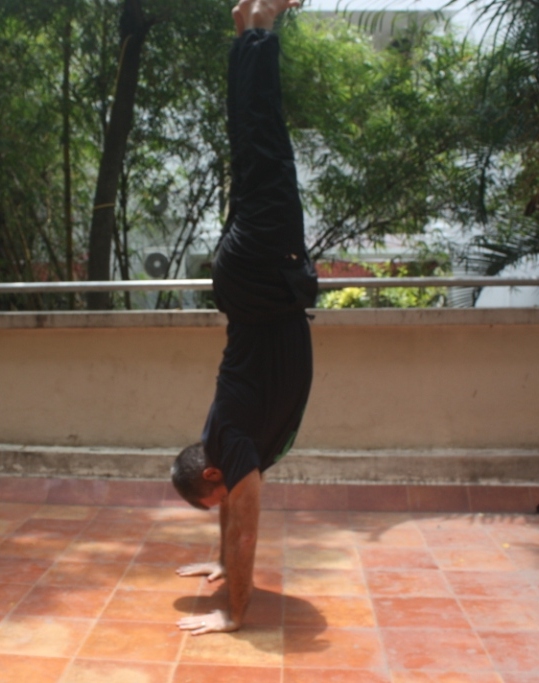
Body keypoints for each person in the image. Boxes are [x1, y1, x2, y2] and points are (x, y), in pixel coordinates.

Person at [171, 0, 317, 636]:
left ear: (213, 473)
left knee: (266, 146)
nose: (224, 503)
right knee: (249, 154)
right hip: (248, 282)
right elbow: (233, 517)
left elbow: (247, 528)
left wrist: (235, 612)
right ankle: (245, 28)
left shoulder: (232, 446)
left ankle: (260, 23)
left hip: (263, 272)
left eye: (215, 496)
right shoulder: (224, 439)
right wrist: (221, 562)